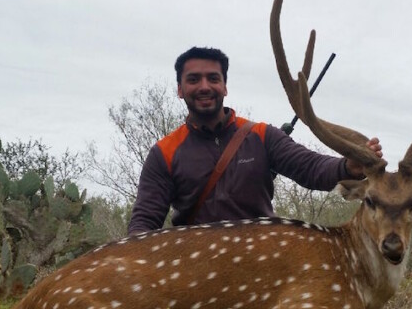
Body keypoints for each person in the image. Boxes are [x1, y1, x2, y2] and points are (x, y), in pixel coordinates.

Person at [127, 47, 382, 235]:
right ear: (180, 90)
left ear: (225, 87)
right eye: (193, 79)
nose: (204, 86)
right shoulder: (164, 152)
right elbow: (144, 223)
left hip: (261, 264)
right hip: (196, 270)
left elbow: (311, 168)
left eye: (213, 78)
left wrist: (348, 167)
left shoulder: (261, 135)